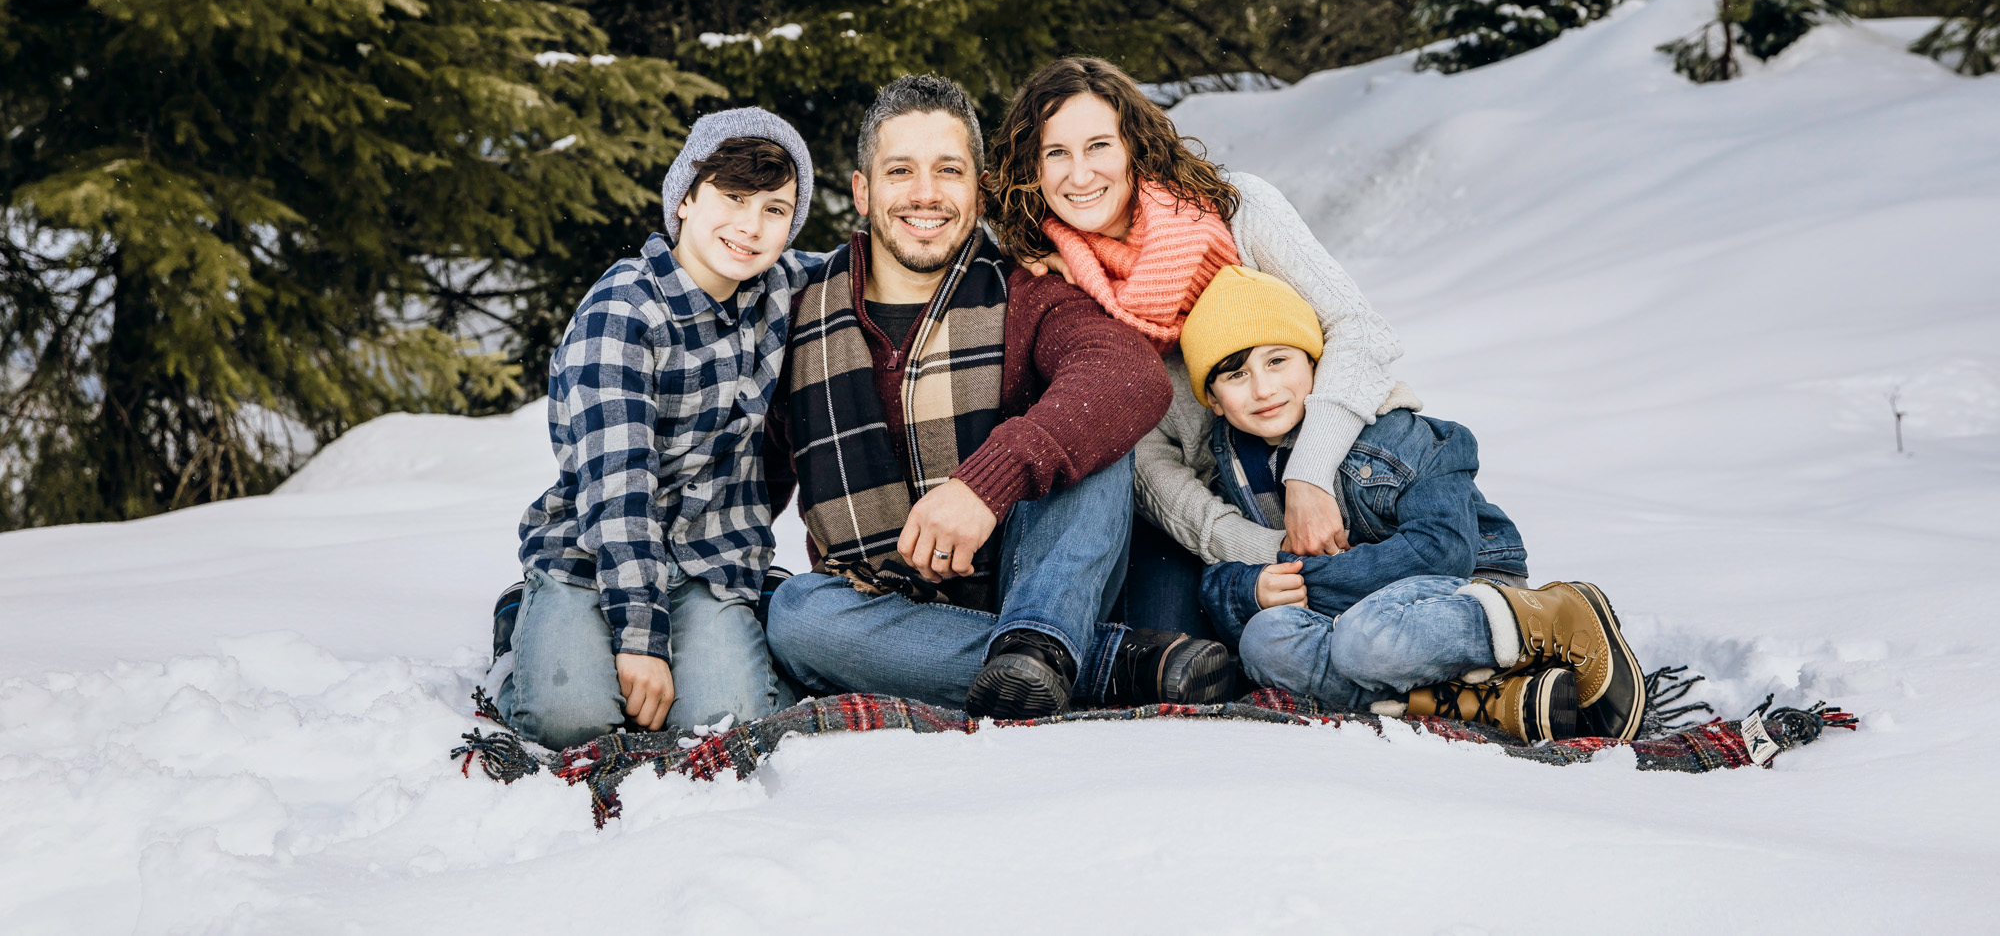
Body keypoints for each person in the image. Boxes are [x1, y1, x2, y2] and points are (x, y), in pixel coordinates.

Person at [762, 75, 1232, 719]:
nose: (925, 194)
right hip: (879, 615)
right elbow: (745, 480)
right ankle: (1103, 665)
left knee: (1093, 422)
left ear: (979, 190)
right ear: (862, 191)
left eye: (949, 170)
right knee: (795, 615)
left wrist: (987, 483)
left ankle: (1042, 644)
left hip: (1035, 585)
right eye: (901, 170)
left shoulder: (1027, 289)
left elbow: (1129, 374)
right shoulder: (797, 312)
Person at [984, 56, 1404, 635]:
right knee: (1177, 646)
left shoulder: (1240, 213)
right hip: (1204, 526)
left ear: (1135, 145)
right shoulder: (1062, 282)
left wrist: (1309, 475)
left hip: (1336, 471)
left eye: (1099, 145)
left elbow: (1360, 331)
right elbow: (1146, 464)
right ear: (1031, 167)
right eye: (1057, 153)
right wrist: (1266, 549)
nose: (1079, 175)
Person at [1174, 265, 1647, 741]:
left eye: (1278, 361)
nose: (1263, 389)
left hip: (1461, 590)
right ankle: (1481, 701)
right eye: (1236, 375)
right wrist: (1251, 590)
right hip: (1353, 617)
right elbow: (1220, 571)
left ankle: (1548, 616)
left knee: (1367, 640)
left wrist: (1301, 574)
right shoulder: (1231, 464)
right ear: (1212, 400)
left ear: (1316, 362)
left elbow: (1443, 552)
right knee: (1265, 640)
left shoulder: (1391, 433)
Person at [496, 108, 818, 749]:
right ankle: (525, 623)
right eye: (733, 198)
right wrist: (641, 639)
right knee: (568, 719)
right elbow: (620, 493)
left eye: (775, 210)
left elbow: (884, 262)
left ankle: (710, 645)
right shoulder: (621, 312)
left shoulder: (780, 287)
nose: (750, 227)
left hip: (711, 560)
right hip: (596, 551)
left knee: (726, 720)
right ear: (685, 200)